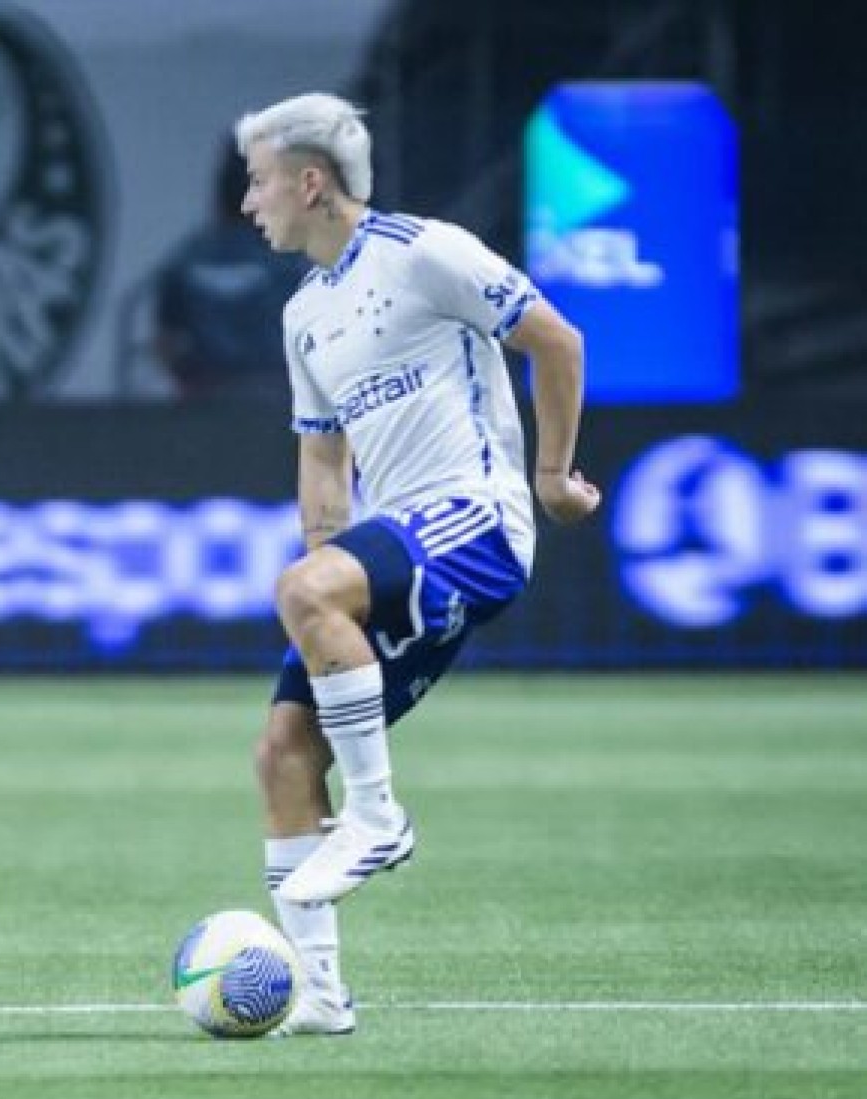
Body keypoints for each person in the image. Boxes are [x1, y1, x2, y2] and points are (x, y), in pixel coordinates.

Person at [234, 95, 600, 1036]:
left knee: (302, 595)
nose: (249, 202)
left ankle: (378, 815)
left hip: (478, 518)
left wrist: (551, 475)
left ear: (310, 182)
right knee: (282, 750)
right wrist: (329, 590)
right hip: (399, 532)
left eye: (260, 180)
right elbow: (323, 461)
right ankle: (317, 996)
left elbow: (556, 339)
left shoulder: (426, 251)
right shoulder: (304, 315)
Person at [153, 137, 297, 401]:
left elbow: (166, 343)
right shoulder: (296, 261)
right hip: (277, 404)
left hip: (206, 402)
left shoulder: (187, 258)